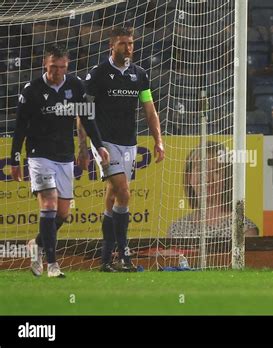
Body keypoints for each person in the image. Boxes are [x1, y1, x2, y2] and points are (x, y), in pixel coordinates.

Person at [10, 44, 109, 278]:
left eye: (62, 68)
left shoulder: (76, 86)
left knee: (63, 213)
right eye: (53, 67)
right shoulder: (31, 90)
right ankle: (52, 265)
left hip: (64, 155)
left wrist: (99, 145)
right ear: (45, 64)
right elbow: (20, 127)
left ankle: (36, 244)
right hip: (38, 154)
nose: (57, 72)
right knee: (49, 205)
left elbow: (87, 117)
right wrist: (16, 158)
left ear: (67, 66)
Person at [77, 27, 165, 272]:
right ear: (111, 47)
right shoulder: (97, 74)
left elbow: (150, 109)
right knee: (124, 193)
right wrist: (83, 146)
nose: (129, 48)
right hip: (103, 142)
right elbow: (84, 112)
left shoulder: (140, 75)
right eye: (123, 44)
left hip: (129, 142)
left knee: (114, 194)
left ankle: (106, 258)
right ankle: (124, 254)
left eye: (131, 44)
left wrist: (158, 140)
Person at [167, 141, 259, 238]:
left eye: (216, 171)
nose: (208, 179)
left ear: (227, 178)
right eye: (200, 170)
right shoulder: (177, 229)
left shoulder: (243, 229)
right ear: (189, 177)